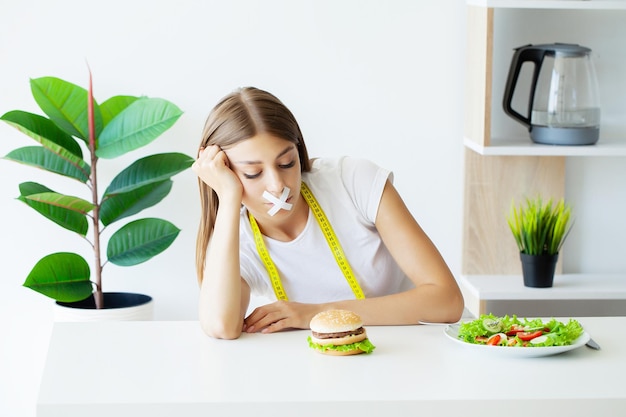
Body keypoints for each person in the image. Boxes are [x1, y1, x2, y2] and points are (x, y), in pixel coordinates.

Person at [192, 87, 464, 339]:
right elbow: (220, 326)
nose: (277, 186)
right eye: (253, 173)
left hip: (421, 350)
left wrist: (314, 313)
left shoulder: (353, 181)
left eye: (287, 163)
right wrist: (227, 198)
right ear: (225, 172)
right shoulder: (236, 239)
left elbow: (447, 300)